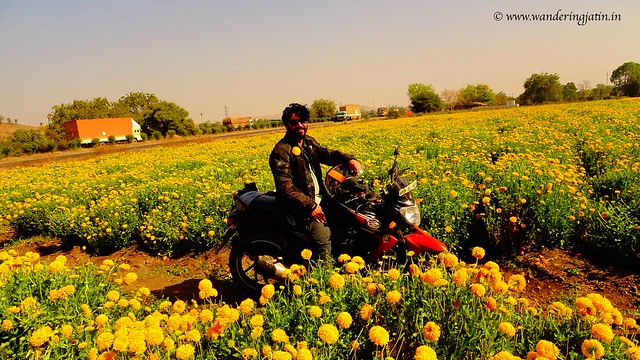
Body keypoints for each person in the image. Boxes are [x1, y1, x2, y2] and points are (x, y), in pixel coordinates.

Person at [269, 103, 361, 261]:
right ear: (286, 125)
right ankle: (323, 276)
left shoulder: (308, 143)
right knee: (323, 237)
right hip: (300, 209)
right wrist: (310, 205)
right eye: (294, 122)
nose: (300, 125)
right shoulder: (282, 151)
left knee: (350, 219)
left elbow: (327, 155)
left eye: (303, 120)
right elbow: (286, 187)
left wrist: (349, 159)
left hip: (321, 201)